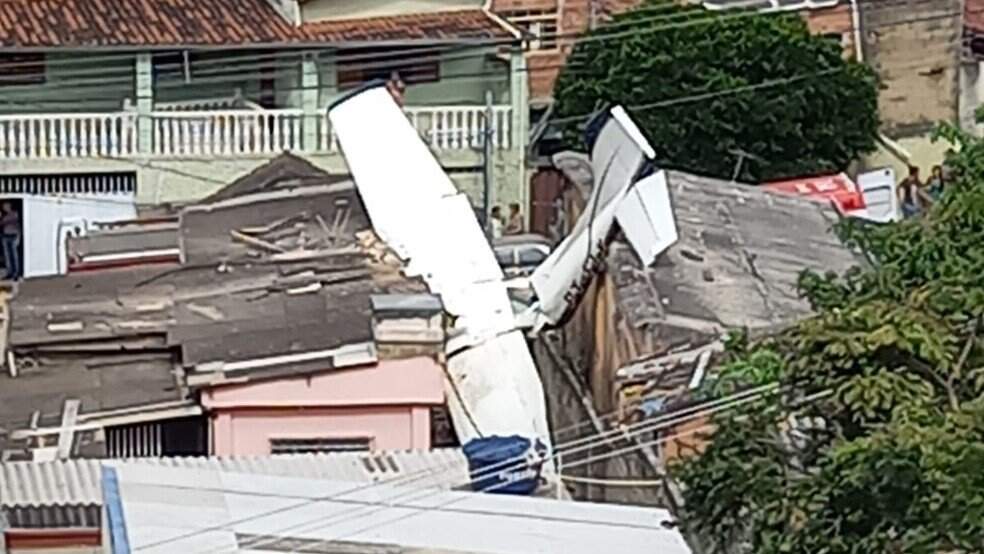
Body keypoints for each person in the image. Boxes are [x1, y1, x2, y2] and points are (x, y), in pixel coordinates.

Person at [0, 202, 21, 280]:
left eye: (5, 206)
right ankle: (9, 272)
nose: (4, 208)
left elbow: (18, 226)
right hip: (5, 236)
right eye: (3, 207)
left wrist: (18, 237)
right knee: (7, 256)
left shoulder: (15, 214)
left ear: (9, 206)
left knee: (14, 256)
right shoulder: (3, 216)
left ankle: (16, 273)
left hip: (13, 236)